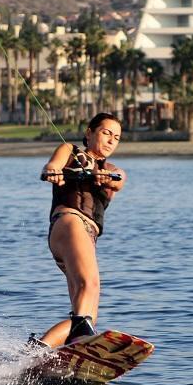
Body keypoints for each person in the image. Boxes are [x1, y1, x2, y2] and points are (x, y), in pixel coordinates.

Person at [30, 113, 126, 349]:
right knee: (90, 284)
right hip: (70, 223)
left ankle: (35, 352)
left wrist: (104, 177)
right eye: (106, 133)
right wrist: (54, 171)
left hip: (85, 237)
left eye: (117, 137)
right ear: (89, 132)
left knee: (87, 315)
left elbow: (118, 181)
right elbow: (52, 165)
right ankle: (81, 341)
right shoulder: (69, 150)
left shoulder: (113, 170)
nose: (111, 140)